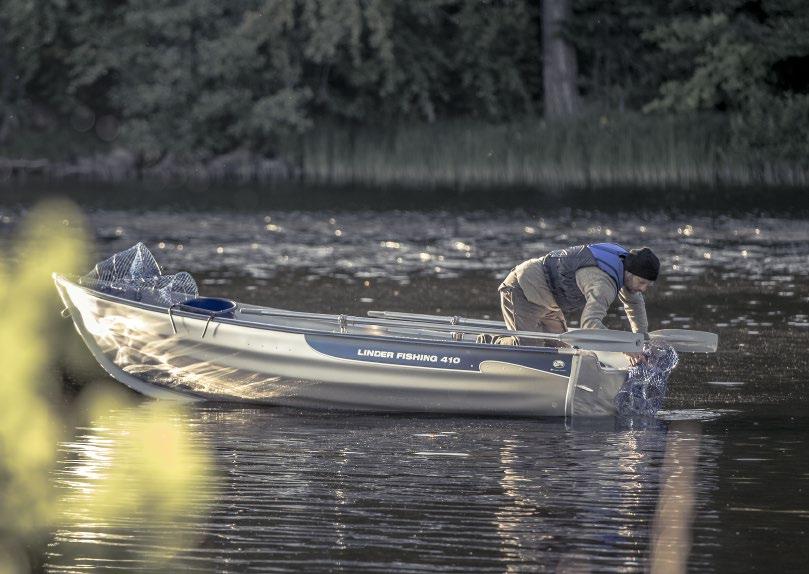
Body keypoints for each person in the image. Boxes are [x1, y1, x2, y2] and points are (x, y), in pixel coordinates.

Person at [492, 243, 659, 362]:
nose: (643, 289)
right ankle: (488, 342)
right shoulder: (603, 285)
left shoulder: (628, 265)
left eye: (648, 285)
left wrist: (642, 342)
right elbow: (589, 325)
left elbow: (635, 305)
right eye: (642, 283)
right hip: (523, 288)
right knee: (531, 355)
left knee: (562, 353)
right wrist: (626, 348)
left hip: (549, 301)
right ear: (629, 274)